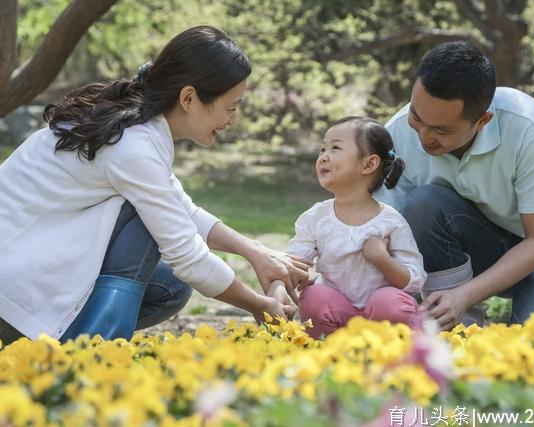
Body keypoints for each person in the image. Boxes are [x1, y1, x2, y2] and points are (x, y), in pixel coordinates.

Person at [0, 26, 309, 346]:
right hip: (13, 298)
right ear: (189, 97)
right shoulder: (133, 146)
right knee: (149, 225)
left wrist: (255, 252)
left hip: (24, 268)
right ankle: (88, 352)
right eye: (231, 107)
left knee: (169, 288)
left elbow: (181, 207)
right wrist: (258, 305)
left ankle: (72, 338)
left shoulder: (129, 126)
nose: (232, 120)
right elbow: (188, 256)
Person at [375, 41, 534, 331]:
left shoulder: (529, 128)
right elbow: (379, 225)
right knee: (424, 204)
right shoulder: (397, 132)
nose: (423, 137)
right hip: (483, 241)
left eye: (441, 130)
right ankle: (459, 327)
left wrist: (463, 295)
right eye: (417, 118)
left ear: (483, 120)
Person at [268, 117, 428, 339]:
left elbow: (414, 281)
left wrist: (381, 258)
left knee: (391, 302)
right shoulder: (315, 218)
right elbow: (293, 265)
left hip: (382, 322)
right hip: (335, 315)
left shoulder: (391, 222)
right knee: (314, 297)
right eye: (322, 149)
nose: (323, 156)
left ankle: (392, 349)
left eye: (335, 148)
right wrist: (278, 289)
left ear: (369, 164)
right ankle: (332, 349)